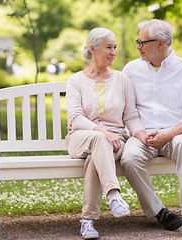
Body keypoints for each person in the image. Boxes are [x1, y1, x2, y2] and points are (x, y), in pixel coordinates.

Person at [121, 19, 182, 238]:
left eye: (141, 42)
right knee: (128, 158)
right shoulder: (130, 70)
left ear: (160, 43)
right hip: (142, 135)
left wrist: (169, 134)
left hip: (175, 134)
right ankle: (159, 212)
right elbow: (125, 109)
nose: (137, 46)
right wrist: (141, 134)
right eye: (137, 42)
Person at [65, 27, 148, 239]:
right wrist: (103, 131)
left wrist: (143, 137)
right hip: (81, 137)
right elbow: (76, 118)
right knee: (99, 139)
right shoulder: (76, 81)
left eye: (115, 47)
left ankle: (87, 221)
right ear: (92, 48)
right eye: (108, 47)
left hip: (115, 142)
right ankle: (113, 194)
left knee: (96, 158)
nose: (113, 52)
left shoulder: (122, 80)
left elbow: (130, 117)